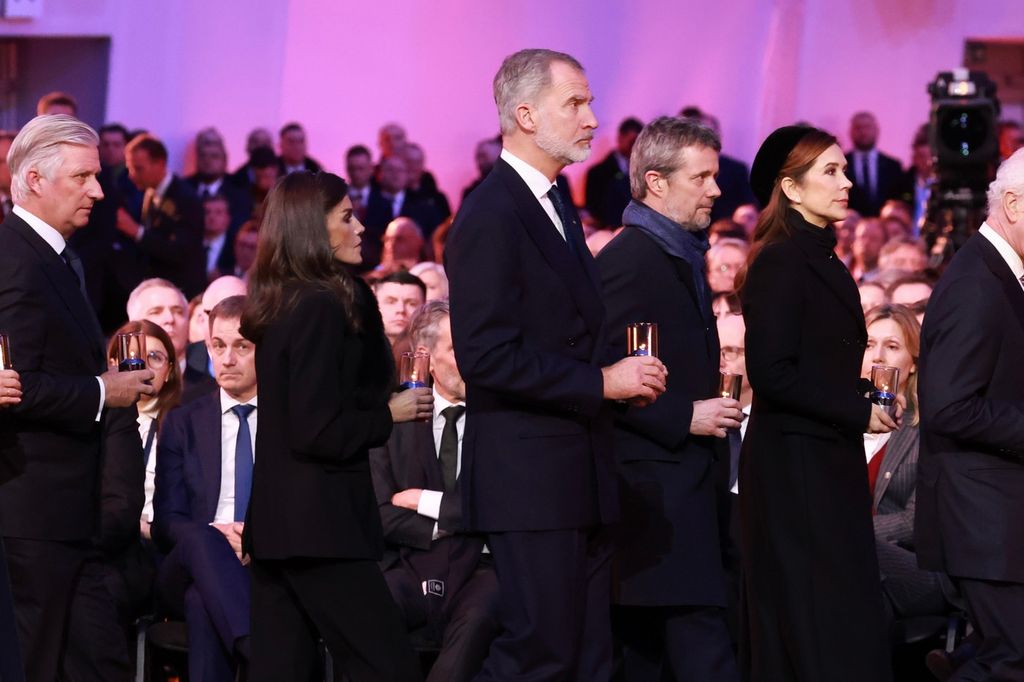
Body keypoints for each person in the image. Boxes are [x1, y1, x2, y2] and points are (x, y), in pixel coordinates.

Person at [445, 48, 667, 680]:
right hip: (530, 480)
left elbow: (560, 327)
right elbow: (485, 355)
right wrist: (600, 381)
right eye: (575, 103)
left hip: (579, 473)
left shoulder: (554, 201)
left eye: (589, 102)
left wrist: (623, 378)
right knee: (538, 654)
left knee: (589, 658)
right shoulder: (491, 213)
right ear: (523, 114)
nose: (593, 118)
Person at [240, 172, 420, 680]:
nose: (361, 227)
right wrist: (390, 415)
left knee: (283, 670)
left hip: (280, 524)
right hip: (319, 525)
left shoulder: (283, 302)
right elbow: (316, 429)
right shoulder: (321, 306)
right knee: (386, 665)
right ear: (310, 230)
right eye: (346, 216)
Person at [738, 125, 898, 682]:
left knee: (836, 615)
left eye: (845, 169)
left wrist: (863, 398)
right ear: (792, 188)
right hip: (795, 469)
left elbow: (816, 367)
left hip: (823, 458)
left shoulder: (822, 258)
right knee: (812, 617)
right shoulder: (782, 261)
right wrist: (857, 409)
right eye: (830, 171)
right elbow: (774, 373)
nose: (847, 182)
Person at [0, 114, 154, 681]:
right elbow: (17, 386)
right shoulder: (16, 259)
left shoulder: (61, 256)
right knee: (37, 663)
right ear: (35, 179)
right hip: (33, 512)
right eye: (83, 177)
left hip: (71, 514)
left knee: (96, 662)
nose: (98, 189)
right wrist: (101, 390)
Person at [597, 115, 740, 681]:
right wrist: (686, 414)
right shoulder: (630, 262)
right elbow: (599, 375)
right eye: (702, 177)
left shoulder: (674, 253)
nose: (717, 189)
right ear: (656, 182)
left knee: (648, 659)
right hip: (653, 500)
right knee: (697, 654)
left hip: (677, 498)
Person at [916, 148, 1024, 680]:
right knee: (1011, 662)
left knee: (1001, 658)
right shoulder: (977, 283)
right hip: (986, 520)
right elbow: (950, 406)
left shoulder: (998, 273)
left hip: (997, 519)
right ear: (1012, 203)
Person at [370, 300, 501, 682]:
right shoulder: (392, 417)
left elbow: (500, 507)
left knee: (478, 619)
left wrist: (424, 502)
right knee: (367, 609)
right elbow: (377, 511)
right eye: (459, 348)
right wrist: (445, 525)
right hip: (408, 562)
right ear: (426, 356)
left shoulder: (501, 422)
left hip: (483, 566)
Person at [153, 295, 257, 682]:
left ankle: (249, 645)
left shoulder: (287, 424)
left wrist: (254, 538)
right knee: (201, 541)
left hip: (261, 562)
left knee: (203, 602)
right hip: (186, 564)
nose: (226, 359)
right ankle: (258, 655)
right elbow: (167, 519)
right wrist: (217, 538)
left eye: (242, 347)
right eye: (218, 346)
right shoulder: (183, 422)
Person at [858, 304, 957, 631]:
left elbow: (916, 522)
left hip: (915, 565)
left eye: (892, 346)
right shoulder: (835, 427)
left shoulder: (927, 430)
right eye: (870, 344)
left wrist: (843, 531)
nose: (878, 356)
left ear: (913, 363)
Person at [120, 134, 206, 298]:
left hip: (182, 291)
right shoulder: (149, 191)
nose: (131, 175)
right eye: (129, 168)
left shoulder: (186, 198)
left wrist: (136, 232)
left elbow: (181, 251)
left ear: (160, 164)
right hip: (157, 288)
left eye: (138, 168)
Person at [584, 116, 642, 228]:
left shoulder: (644, 171)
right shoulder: (596, 173)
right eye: (632, 142)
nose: (635, 148)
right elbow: (593, 212)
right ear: (620, 138)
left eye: (638, 143)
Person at [845, 111, 904, 217]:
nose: (863, 132)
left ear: (877, 130)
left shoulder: (893, 166)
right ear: (850, 132)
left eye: (867, 127)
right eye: (858, 128)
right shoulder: (841, 164)